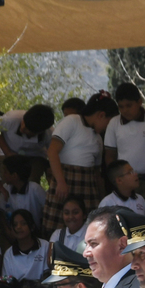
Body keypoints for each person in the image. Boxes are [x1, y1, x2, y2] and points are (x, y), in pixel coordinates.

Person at [41, 92, 116, 235]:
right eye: (108, 122)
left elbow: (96, 173)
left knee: (89, 231)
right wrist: (61, 182)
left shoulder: (98, 139)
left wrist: (102, 198)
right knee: (57, 230)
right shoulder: (72, 121)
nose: (107, 127)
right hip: (65, 183)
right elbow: (52, 152)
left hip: (87, 187)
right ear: (101, 115)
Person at [102, 83, 145, 200]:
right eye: (121, 107)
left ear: (139, 102)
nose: (125, 110)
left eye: (129, 105)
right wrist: (116, 180)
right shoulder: (113, 124)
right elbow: (110, 156)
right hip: (125, 184)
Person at [1, 210, 49, 282]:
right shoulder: (8, 254)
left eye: (23, 224)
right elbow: (8, 281)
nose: (19, 227)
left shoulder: (45, 246)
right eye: (15, 225)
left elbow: (48, 275)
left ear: (32, 227)